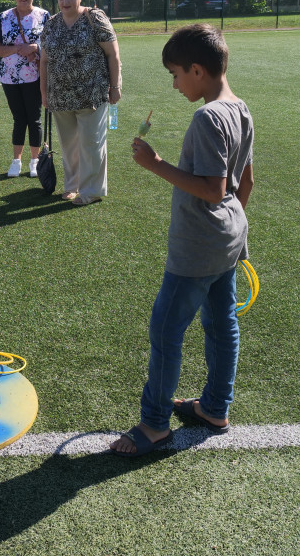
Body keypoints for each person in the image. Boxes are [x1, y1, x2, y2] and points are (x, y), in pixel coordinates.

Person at [111, 23, 254, 457]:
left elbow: (213, 187)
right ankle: (214, 408)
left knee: (166, 328)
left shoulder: (208, 117)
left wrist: (155, 163)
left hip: (198, 247)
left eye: (175, 74)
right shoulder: (240, 108)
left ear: (197, 70)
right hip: (227, 239)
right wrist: (233, 226)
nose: (174, 84)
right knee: (220, 323)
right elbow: (245, 180)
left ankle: (154, 425)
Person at [39, 0, 121, 206]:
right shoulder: (52, 23)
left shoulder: (95, 18)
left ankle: (92, 190)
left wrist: (115, 87)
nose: (65, 2)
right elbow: (44, 62)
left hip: (92, 94)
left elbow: (113, 55)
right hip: (59, 96)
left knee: (92, 144)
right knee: (69, 145)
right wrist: (44, 94)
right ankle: (72, 185)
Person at [0, 0, 50, 178]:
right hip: (9, 77)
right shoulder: (4, 17)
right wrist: (18, 48)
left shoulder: (44, 16)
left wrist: (35, 47)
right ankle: (16, 160)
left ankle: (34, 161)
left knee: (34, 119)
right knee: (18, 119)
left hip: (35, 76)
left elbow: (52, 46)